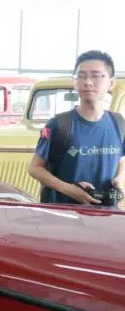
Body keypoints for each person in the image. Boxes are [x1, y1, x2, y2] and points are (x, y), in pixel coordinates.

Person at [28, 50, 125, 205]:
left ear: (111, 83)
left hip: (107, 213)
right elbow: (35, 168)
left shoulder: (119, 123)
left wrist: (119, 179)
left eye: (95, 75)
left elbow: (120, 159)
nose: (87, 82)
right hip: (65, 213)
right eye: (81, 76)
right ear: (75, 82)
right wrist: (68, 190)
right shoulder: (59, 124)